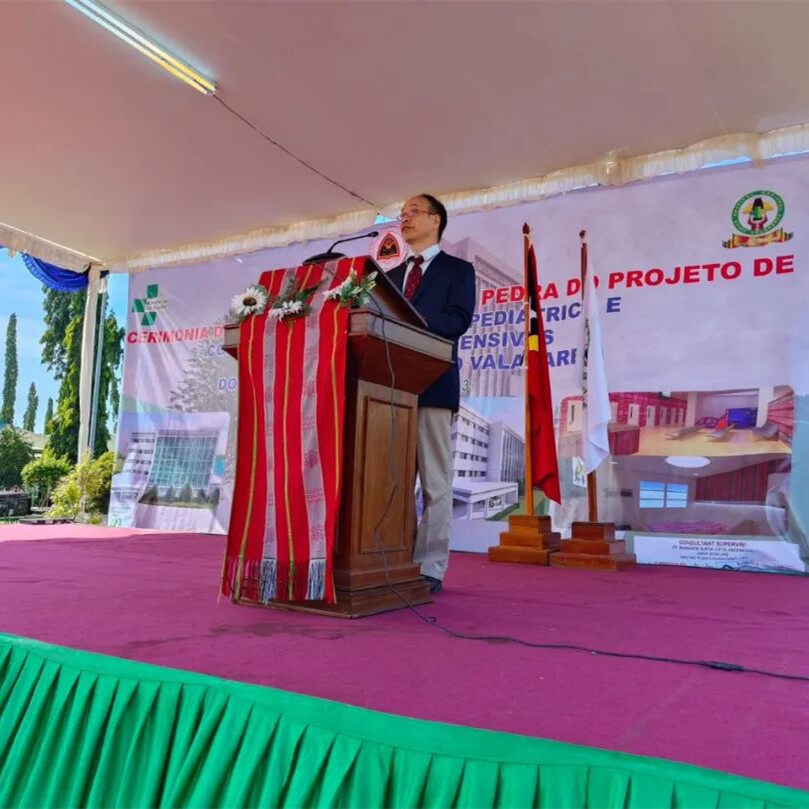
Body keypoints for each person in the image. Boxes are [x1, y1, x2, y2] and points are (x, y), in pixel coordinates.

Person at [387, 194, 476, 593]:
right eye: (401, 214)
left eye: (413, 212)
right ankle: (392, 558)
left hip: (434, 387)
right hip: (388, 392)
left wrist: (412, 317)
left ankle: (430, 567)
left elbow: (458, 320)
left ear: (435, 220)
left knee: (435, 485)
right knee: (392, 482)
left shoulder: (458, 270)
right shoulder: (389, 278)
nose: (404, 219)